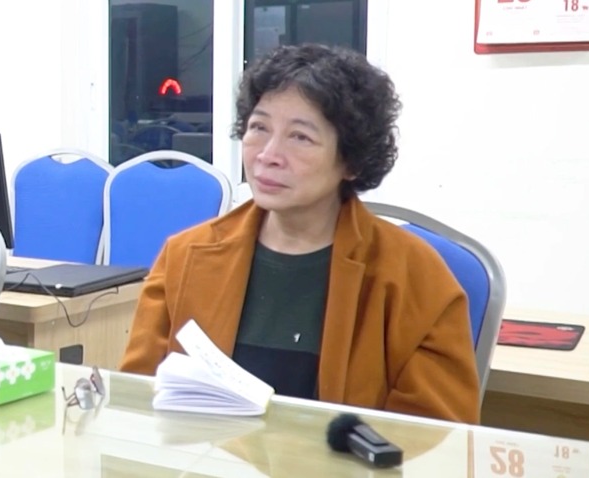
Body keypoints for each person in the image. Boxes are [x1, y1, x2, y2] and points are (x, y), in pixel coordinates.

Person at [120, 43, 480, 424]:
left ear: (352, 161)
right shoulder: (184, 257)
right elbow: (135, 407)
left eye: (300, 137)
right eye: (259, 128)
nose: (268, 155)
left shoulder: (417, 278)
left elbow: (438, 439)